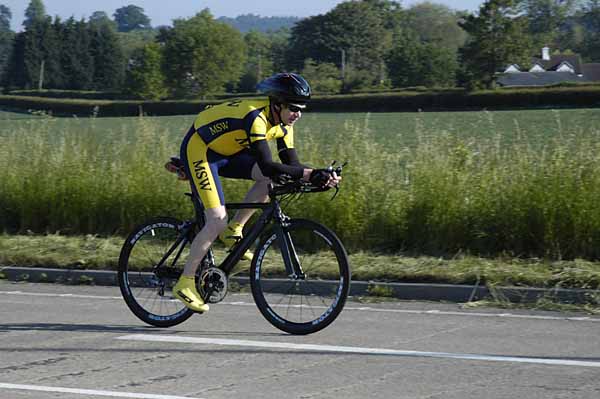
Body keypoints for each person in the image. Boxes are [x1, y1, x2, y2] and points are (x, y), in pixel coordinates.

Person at [172, 72, 341, 313]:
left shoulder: (284, 124)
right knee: (217, 218)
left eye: (302, 108)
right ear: (277, 104)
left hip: (226, 152)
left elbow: (291, 164)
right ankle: (186, 282)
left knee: (268, 181)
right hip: (201, 150)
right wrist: (310, 173)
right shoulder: (256, 118)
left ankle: (234, 230)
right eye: (294, 108)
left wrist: (321, 176)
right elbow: (267, 164)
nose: (298, 114)